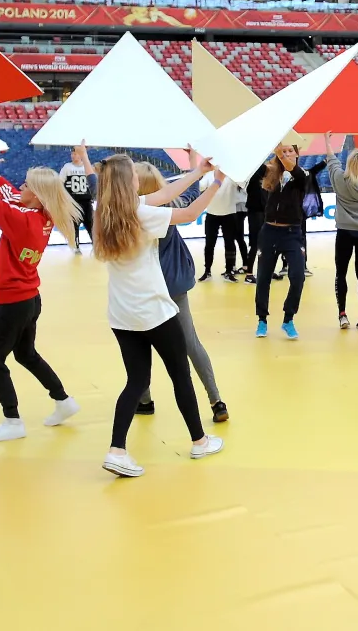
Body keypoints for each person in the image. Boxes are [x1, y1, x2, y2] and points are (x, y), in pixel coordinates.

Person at [91, 153, 225, 478]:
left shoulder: (104, 213)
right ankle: (199, 440)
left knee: (136, 381)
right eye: (134, 175)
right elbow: (191, 213)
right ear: (127, 183)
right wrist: (217, 181)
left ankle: (117, 449)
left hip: (122, 315)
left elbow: (164, 195)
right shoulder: (141, 214)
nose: (139, 177)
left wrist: (197, 172)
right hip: (154, 311)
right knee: (180, 375)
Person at [0, 152, 84, 442]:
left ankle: (12, 420)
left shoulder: (21, 220)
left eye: (27, 186)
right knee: (26, 354)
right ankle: (63, 400)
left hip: (13, 302)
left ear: (38, 195)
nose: (21, 188)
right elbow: (9, 195)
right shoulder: (41, 216)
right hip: (30, 299)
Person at [134, 161, 228, 423]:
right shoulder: (168, 211)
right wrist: (211, 176)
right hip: (174, 285)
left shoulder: (132, 213)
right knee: (191, 344)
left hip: (146, 288)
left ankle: (144, 400)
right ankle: (216, 400)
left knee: (141, 346)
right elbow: (189, 198)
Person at [324, 132, 358, 330]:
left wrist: (327, 141)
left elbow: (331, 160)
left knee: (341, 273)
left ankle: (342, 315)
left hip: (345, 232)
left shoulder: (339, 179)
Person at [253, 144, 308, 338]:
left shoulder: (302, 175)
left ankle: (288, 318)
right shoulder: (271, 174)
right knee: (263, 278)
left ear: (297, 153)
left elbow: (297, 173)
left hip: (292, 233)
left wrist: (280, 154)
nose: (285, 154)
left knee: (297, 276)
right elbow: (254, 160)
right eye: (282, 151)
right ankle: (262, 319)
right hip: (269, 232)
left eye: (289, 151)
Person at [198, 171, 243, 282]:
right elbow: (200, 187)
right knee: (209, 244)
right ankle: (207, 271)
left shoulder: (232, 176)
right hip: (212, 214)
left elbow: (242, 184)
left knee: (230, 244)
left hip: (229, 214)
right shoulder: (209, 175)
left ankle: (229, 271)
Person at [59, 142, 96, 254]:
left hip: (87, 202)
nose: (73, 156)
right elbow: (60, 183)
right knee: (74, 225)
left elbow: (94, 182)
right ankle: (76, 247)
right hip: (73, 202)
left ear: (81, 155)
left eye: (75, 154)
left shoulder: (88, 167)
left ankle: (96, 246)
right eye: (72, 154)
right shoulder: (67, 167)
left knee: (91, 225)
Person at [242, 161, 268, 282]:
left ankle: (267, 271)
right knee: (255, 244)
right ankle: (249, 274)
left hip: (264, 212)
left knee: (266, 244)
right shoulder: (252, 179)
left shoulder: (266, 181)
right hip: (255, 213)